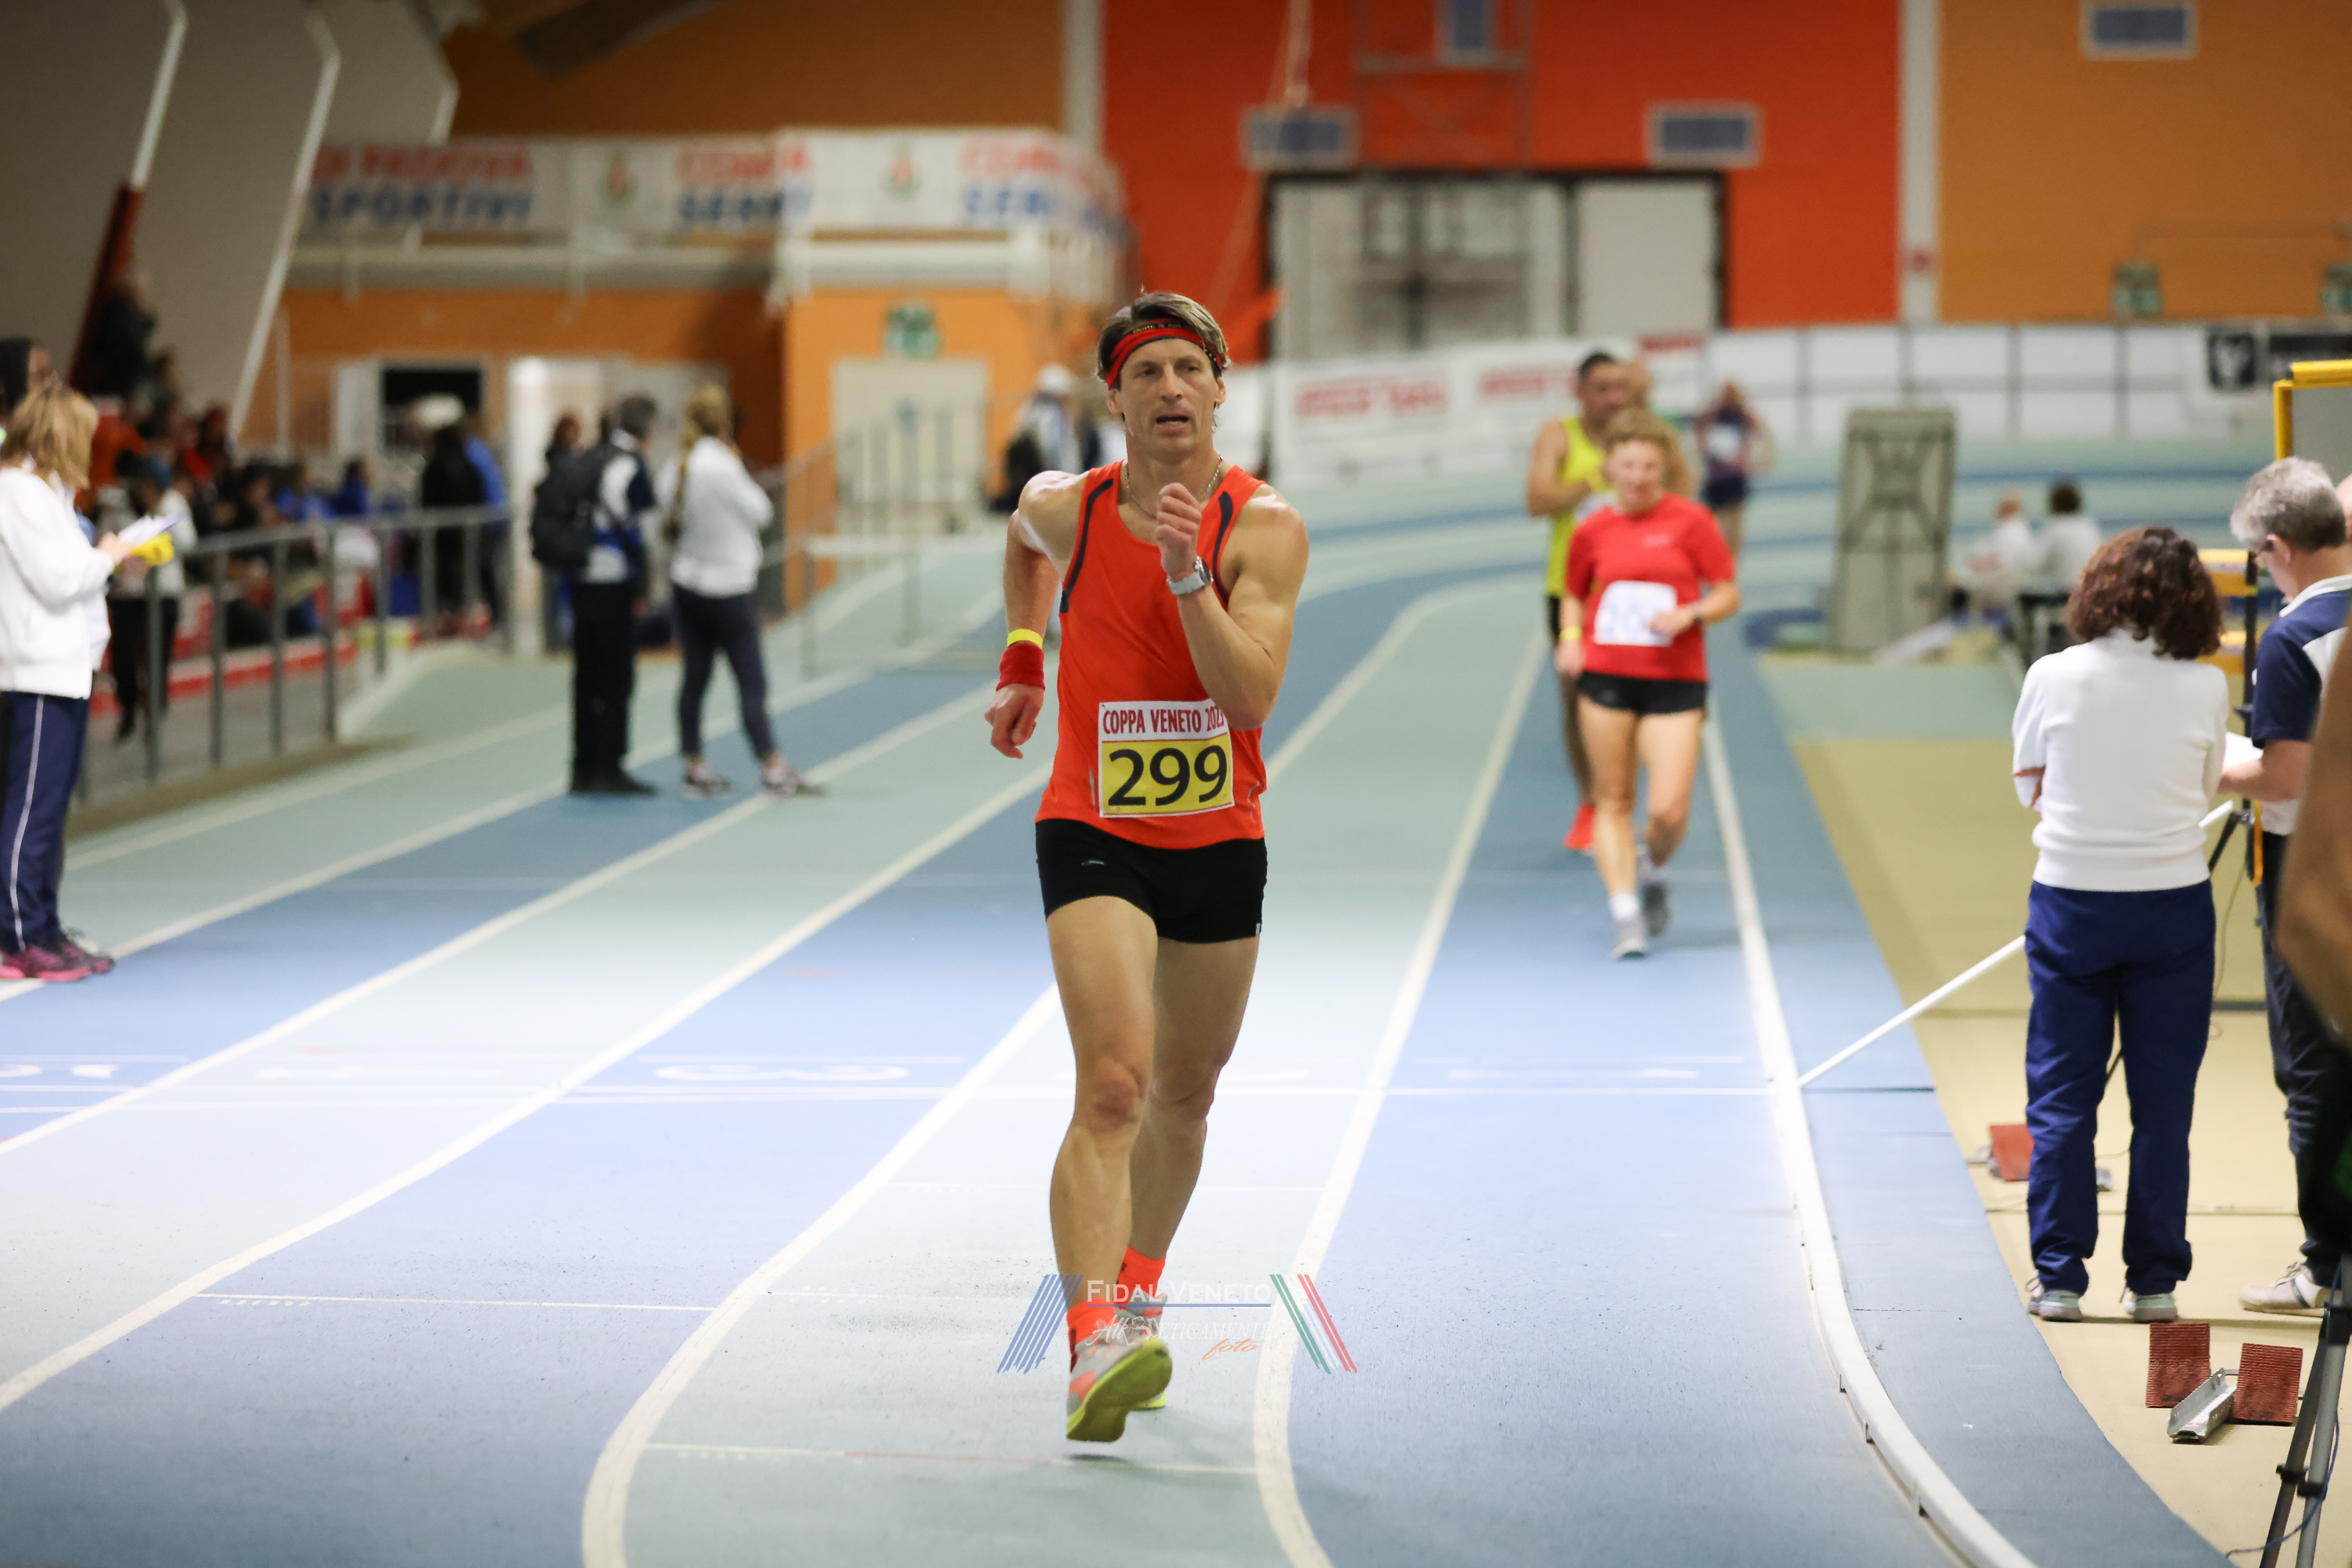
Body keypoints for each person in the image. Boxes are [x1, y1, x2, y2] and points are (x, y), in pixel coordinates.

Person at [985, 292, 1308, 1443]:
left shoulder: (1262, 526)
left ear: (1219, 389)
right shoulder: (1064, 509)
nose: (1170, 388)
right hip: (1093, 825)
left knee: (1185, 1093)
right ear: (1113, 398)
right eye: (1146, 373)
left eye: (1188, 369)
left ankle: (1139, 1282)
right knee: (1116, 1085)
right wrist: (1024, 652)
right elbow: (1019, 541)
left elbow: (1249, 697)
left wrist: (1186, 577)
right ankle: (1093, 1344)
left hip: (1218, 837)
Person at [2009, 528, 2228, 1323]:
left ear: (2096, 589)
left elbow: (2027, 785)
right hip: (2172, 905)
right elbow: (2207, 783)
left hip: (2072, 901)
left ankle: (2060, 1277)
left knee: (2062, 1095)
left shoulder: (2052, 673)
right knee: (2164, 1103)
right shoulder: (2205, 685)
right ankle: (2155, 1281)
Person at [2218, 459, 2352, 1315]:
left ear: (2279, 548)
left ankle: (2326, 1261)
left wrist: (2210, 766)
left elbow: (2286, 776)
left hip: (2319, 868)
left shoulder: (2293, 637)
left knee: (2312, 1065)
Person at [1556, 409, 1737, 959]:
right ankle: (1625, 914)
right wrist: (1570, 637)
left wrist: (1691, 613)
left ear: (1665, 469)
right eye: (1628, 465)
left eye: (1649, 467)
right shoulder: (1592, 529)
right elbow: (1574, 592)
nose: (1638, 477)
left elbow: (1727, 591)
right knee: (1612, 799)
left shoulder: (1691, 522)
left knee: (1667, 810)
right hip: (1607, 678)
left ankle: (1654, 867)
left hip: (1674, 680)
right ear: (1610, 467)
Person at [0, 383, 144, 982]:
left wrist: (106, 558)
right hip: (37, 671)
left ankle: (42, 926)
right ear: (59, 434)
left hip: (63, 669)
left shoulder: (47, 494)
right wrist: (108, 553)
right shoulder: (18, 491)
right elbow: (58, 579)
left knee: (49, 812)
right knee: (31, 811)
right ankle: (16, 935)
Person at [659, 385, 806, 800]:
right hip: (729, 589)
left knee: (694, 679)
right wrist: (736, 464)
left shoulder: (678, 466)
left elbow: (663, 510)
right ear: (724, 422)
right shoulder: (724, 466)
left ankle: (694, 766)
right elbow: (762, 512)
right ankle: (772, 767)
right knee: (751, 681)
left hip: (688, 585)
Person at [1525, 352, 1637, 853]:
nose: (1613, 398)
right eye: (1602, 388)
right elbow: (1537, 501)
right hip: (1569, 591)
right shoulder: (1559, 435)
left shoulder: (1641, 436)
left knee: (1631, 703)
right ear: (1580, 391)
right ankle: (1591, 802)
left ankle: (1619, 802)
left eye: (1620, 388)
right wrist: (1595, 479)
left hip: (1631, 593)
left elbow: (1680, 493)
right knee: (1576, 700)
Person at [570, 394, 657, 796]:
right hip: (615, 580)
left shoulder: (589, 457)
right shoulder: (632, 466)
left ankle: (582, 767)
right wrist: (647, 584)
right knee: (617, 677)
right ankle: (610, 767)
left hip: (581, 577)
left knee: (586, 678)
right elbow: (647, 531)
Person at [101, 452, 196, 743]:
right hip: (128, 595)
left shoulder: (173, 504)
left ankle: (155, 713)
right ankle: (128, 708)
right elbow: (104, 543)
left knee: (157, 658)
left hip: (163, 594)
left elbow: (188, 543)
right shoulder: (116, 506)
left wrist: (158, 514)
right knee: (124, 657)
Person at [1694, 380, 1772, 557]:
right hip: (1716, 481)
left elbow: (1765, 437)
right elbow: (1699, 433)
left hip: (1733, 480)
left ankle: (1730, 561)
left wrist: (1757, 464)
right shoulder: (1713, 416)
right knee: (1716, 528)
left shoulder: (1743, 417)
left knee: (1733, 529)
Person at [2039, 478, 2102, 587]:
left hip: (2063, 591)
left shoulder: (2055, 528)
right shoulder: (2089, 527)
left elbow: (2037, 563)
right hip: (2088, 588)